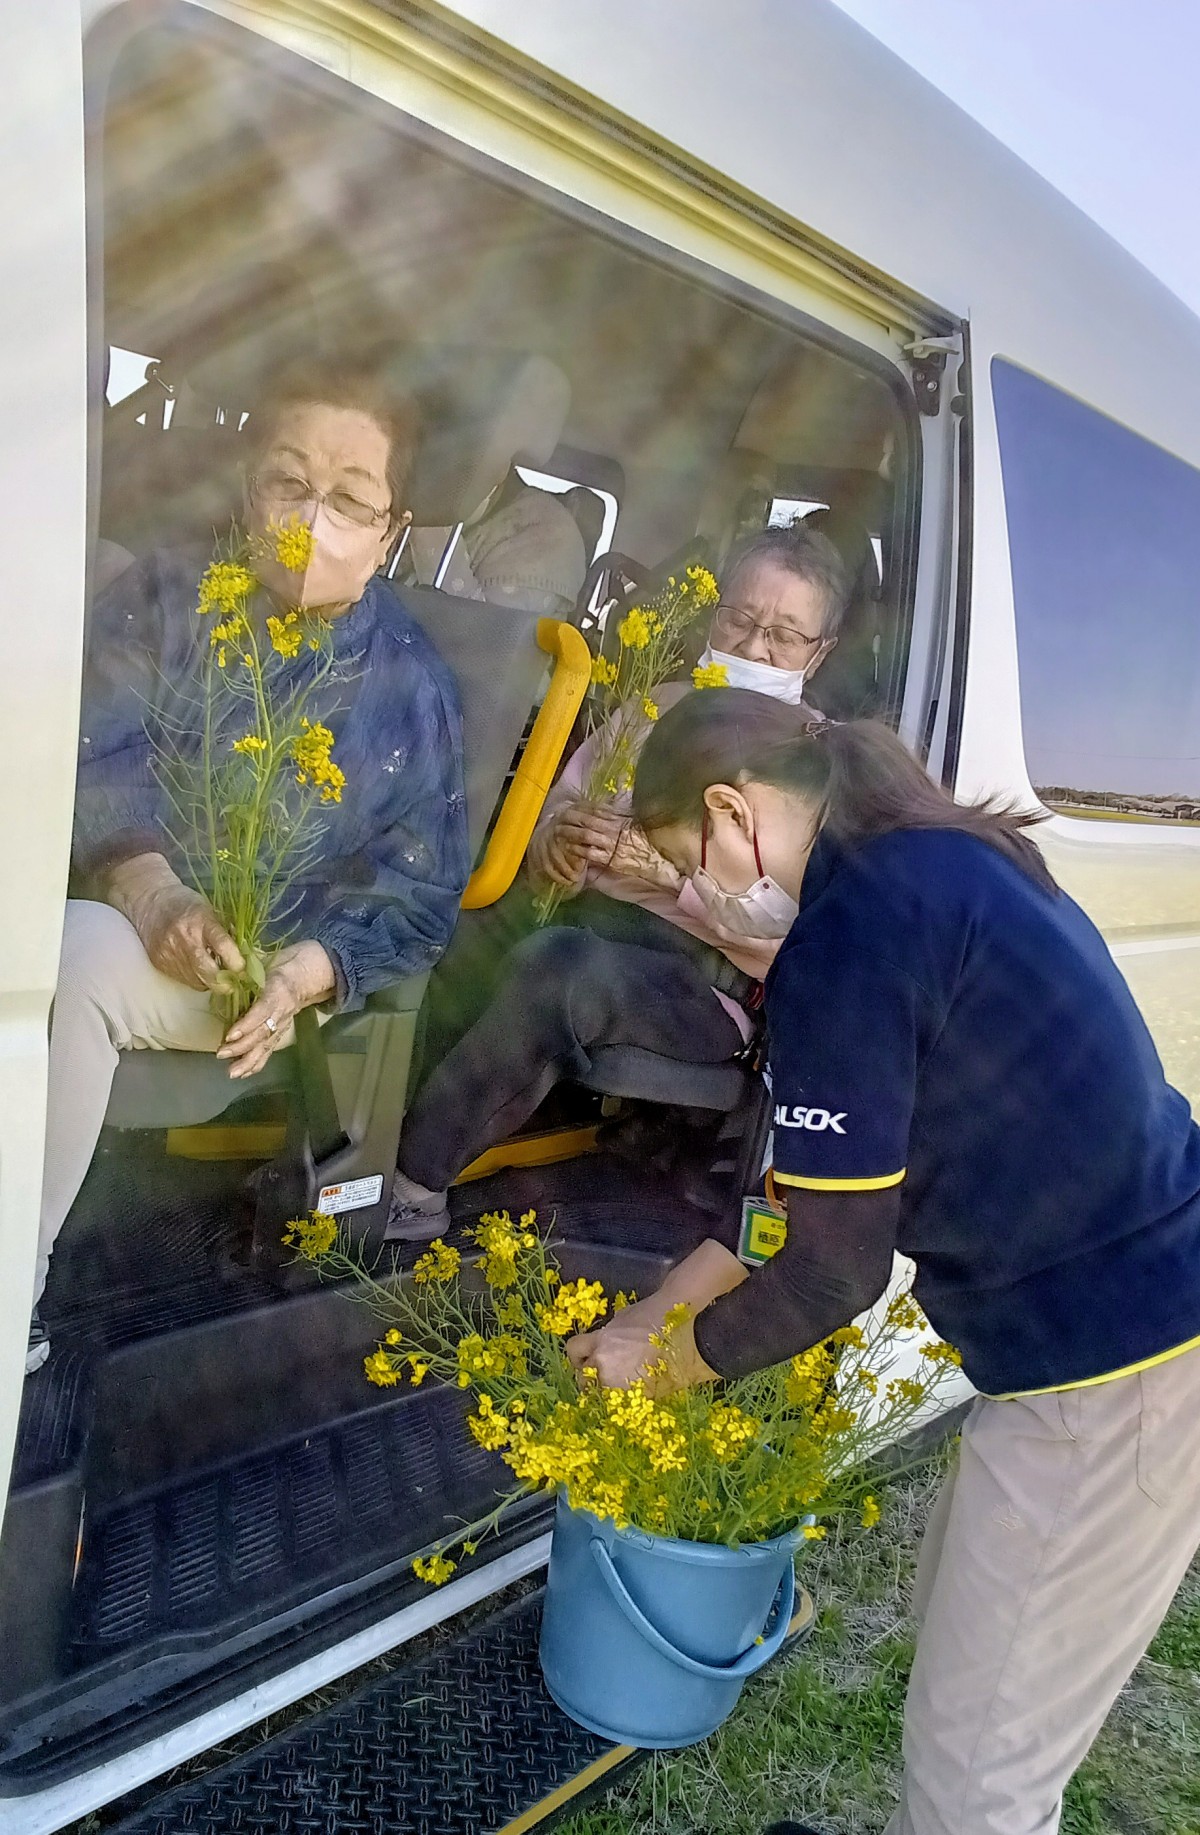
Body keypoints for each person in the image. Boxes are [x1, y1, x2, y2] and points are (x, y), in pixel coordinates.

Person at [566, 689, 1200, 1835]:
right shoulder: (938, 861)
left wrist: (665, 1370)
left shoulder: (851, 935)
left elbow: (833, 1273)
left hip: (1120, 1361)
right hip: (1124, 1328)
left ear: (731, 811)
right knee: (962, 1645)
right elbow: (788, 1205)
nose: (700, 893)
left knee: (981, 1772)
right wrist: (650, 1317)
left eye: (689, 862)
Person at [27, 359, 471, 1373]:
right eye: (289, 482)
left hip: (253, 981)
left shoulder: (413, 688)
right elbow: (92, 753)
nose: (314, 521)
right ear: (247, 486)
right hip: (133, 904)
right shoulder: (165, 595)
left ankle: (16, 1282)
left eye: (351, 500)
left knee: (77, 955)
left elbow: (419, 894)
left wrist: (305, 971)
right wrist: (154, 892)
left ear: (392, 531)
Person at [386, 524, 849, 1237]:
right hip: (587, 914)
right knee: (454, 926)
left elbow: (800, 944)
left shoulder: (814, 766)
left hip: (706, 979)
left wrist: (668, 875)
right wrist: (557, 842)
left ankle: (412, 1188)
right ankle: (367, 1138)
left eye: (784, 636)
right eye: (739, 619)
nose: (755, 647)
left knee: (561, 970)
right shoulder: (654, 706)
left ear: (819, 653)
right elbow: (561, 809)